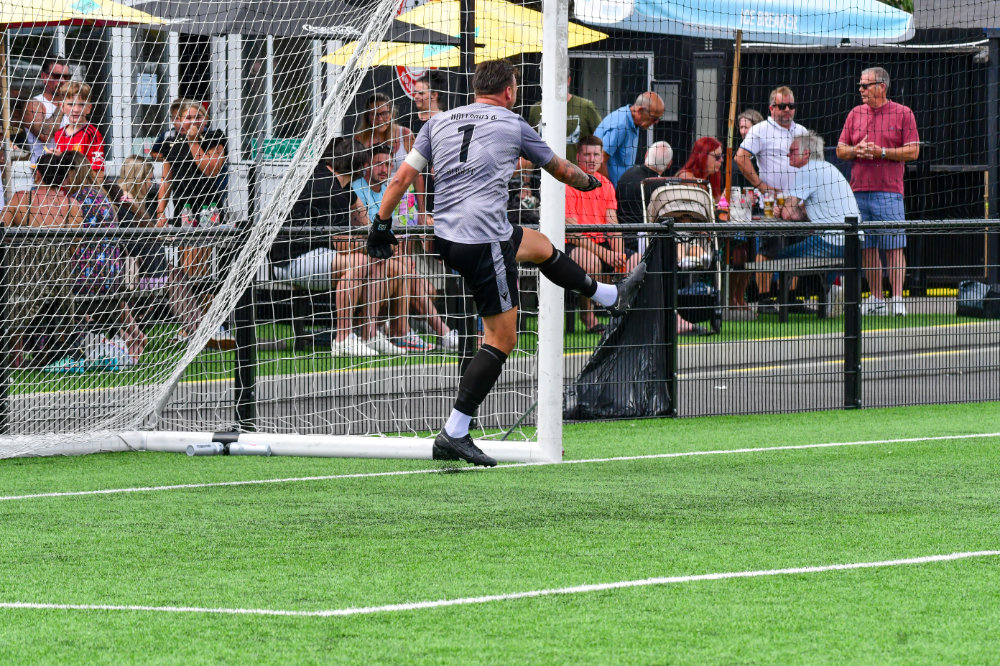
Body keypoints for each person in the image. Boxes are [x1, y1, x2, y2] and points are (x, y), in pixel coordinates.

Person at [367, 59, 646, 467]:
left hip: (447, 238)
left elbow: (400, 179)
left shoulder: (437, 123)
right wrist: (591, 182)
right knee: (502, 339)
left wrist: (380, 225)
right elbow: (561, 169)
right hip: (484, 241)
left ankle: (609, 296)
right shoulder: (513, 124)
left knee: (540, 246)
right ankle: (455, 432)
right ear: (510, 91)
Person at [273, 138, 402, 357]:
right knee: (359, 261)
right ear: (358, 164)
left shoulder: (340, 185)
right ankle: (343, 339)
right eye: (365, 163)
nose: (367, 167)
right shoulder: (327, 187)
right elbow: (342, 245)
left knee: (377, 260)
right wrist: (375, 244)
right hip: (290, 260)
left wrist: (378, 236)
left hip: (317, 255)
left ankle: (370, 334)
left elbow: (363, 219)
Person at [352, 145, 455, 352]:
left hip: (385, 256)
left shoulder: (389, 190)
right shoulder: (357, 189)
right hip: (362, 254)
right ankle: (418, 332)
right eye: (379, 164)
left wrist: (397, 249)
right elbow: (364, 233)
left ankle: (395, 329)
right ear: (366, 166)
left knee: (426, 288)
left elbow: (395, 231)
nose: (384, 169)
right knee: (406, 272)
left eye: (388, 164)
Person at [836, 66, 919, 317]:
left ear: (881, 87)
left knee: (894, 246)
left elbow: (913, 151)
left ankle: (897, 299)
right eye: (860, 85)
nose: (860, 90)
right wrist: (856, 150)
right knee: (868, 248)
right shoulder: (855, 113)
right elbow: (840, 149)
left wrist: (881, 152)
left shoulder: (903, 113)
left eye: (865, 85)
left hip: (889, 192)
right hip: (858, 192)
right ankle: (876, 298)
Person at [1, 152, 83, 367]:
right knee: (59, 303)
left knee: (17, 305)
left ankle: (16, 357)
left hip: (24, 271)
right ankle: (56, 353)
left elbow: (2, 231)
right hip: (58, 273)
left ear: (37, 174)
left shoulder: (20, 199)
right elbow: (73, 245)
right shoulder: (72, 205)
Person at [735, 87, 809, 305]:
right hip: (771, 202)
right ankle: (765, 298)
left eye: (791, 106)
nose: (787, 110)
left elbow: (810, 164)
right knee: (769, 248)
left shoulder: (802, 131)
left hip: (796, 203)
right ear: (771, 108)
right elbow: (740, 157)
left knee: (797, 249)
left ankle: (791, 298)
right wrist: (761, 185)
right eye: (782, 106)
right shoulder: (760, 130)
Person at [564, 135, 637, 333]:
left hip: (600, 243)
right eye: (587, 154)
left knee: (635, 261)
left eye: (596, 154)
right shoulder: (568, 183)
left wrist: (619, 256)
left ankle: (626, 316)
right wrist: (606, 254)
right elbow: (573, 233)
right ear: (578, 157)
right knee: (590, 262)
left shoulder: (606, 184)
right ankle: (588, 316)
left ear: (601, 158)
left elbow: (613, 225)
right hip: (573, 243)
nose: (591, 159)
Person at [776, 132, 861, 260]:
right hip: (853, 240)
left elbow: (787, 214)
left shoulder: (807, 170)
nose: (788, 154)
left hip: (833, 241)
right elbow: (797, 214)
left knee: (778, 257)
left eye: (792, 151)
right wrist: (789, 211)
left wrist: (781, 210)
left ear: (806, 153)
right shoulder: (827, 167)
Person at [156, 100, 228, 224]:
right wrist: (160, 212)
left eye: (198, 117)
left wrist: (192, 141)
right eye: (188, 118)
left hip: (209, 208)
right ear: (180, 120)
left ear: (205, 120)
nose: (194, 121)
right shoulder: (172, 142)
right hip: (183, 208)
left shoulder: (214, 137)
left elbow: (211, 170)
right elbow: (166, 180)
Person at [594, 91, 664, 187]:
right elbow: (599, 160)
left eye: (659, 119)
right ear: (640, 110)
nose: (656, 122)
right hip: (610, 189)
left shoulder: (633, 120)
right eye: (654, 118)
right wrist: (609, 188)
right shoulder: (620, 126)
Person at [528, 76, 603, 166]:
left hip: (577, 171)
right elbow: (531, 146)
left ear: (568, 80)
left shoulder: (585, 106)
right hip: (544, 171)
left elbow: (602, 143)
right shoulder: (536, 109)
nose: (555, 84)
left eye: (559, 79)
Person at [52, 81, 105, 184]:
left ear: (89, 108)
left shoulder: (93, 135)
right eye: (71, 104)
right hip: (62, 190)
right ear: (62, 107)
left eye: (81, 105)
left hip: (82, 190)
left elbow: (99, 176)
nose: (76, 109)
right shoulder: (59, 134)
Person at [21, 58, 71, 163]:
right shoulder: (34, 104)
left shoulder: (73, 106)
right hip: (43, 168)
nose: (62, 81)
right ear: (44, 77)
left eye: (66, 77)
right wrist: (61, 105)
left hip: (69, 166)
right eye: (57, 76)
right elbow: (45, 135)